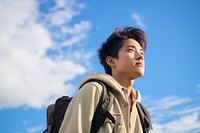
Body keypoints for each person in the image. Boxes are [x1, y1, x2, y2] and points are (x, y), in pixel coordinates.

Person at [59, 26, 151, 133]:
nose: (140, 56)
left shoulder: (141, 112)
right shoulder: (93, 91)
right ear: (111, 61)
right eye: (131, 50)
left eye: (142, 52)